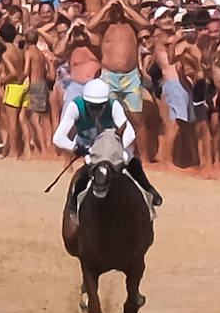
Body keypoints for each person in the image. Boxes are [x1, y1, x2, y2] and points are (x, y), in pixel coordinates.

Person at [52, 79, 162, 217]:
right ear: (85, 101)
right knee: (87, 170)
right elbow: (58, 137)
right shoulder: (75, 106)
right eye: (91, 106)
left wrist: (118, 148)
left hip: (112, 145)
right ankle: (73, 204)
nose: (96, 110)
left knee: (131, 161)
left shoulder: (114, 105)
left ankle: (148, 188)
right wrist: (74, 147)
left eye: (100, 106)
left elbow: (130, 132)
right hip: (88, 147)